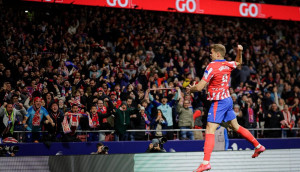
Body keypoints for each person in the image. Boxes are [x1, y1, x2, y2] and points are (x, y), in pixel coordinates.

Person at [187, 44, 265, 172]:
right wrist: (239, 51)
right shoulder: (227, 64)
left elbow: (200, 87)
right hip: (228, 100)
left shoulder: (212, 66)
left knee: (209, 129)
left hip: (219, 102)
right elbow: (238, 63)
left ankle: (206, 162)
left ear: (218, 54)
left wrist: (191, 89)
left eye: (211, 52)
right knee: (236, 127)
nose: (210, 54)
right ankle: (258, 145)